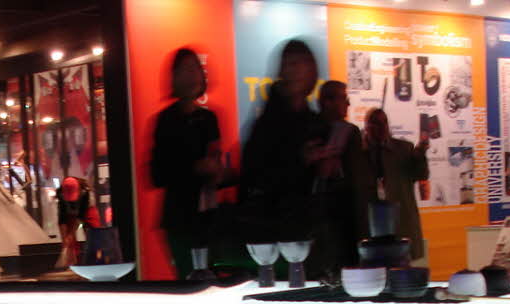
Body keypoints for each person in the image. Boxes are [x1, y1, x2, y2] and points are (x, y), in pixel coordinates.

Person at [242, 40, 327, 244]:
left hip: (307, 225)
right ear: (282, 70)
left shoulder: (314, 121)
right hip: (273, 228)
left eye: (302, 63)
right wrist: (299, 160)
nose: (297, 69)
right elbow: (255, 173)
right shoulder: (268, 122)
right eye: (291, 63)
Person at [150, 47, 223, 279]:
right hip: (179, 214)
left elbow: (216, 157)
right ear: (174, 77)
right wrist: (195, 168)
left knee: (211, 275)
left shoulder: (209, 118)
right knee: (188, 277)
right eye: (185, 69)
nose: (192, 75)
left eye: (195, 69)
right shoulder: (166, 120)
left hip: (208, 212)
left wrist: (217, 171)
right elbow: (157, 173)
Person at [311, 80, 368, 278]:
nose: (348, 104)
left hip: (325, 215)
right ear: (327, 102)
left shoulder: (309, 127)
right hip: (336, 216)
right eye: (344, 98)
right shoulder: (348, 132)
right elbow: (357, 181)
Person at [361, 108, 429, 260]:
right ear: (366, 127)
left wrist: (420, 156)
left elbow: (421, 175)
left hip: (400, 221)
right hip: (370, 224)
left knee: (401, 265)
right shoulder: (359, 152)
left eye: (385, 122)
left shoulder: (403, 149)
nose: (382, 127)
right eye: (376, 123)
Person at [57, 176, 89, 266]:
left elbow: (81, 216)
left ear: (78, 189)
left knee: (91, 232)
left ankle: (92, 258)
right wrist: (64, 238)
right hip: (70, 213)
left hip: (86, 212)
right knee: (68, 240)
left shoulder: (85, 193)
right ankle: (71, 261)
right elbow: (62, 217)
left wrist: (71, 233)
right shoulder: (60, 193)